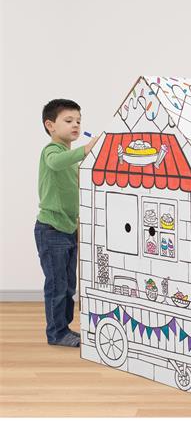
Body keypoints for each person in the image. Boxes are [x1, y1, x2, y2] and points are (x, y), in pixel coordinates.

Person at [34, 99, 98, 347]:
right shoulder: (51, 151)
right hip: (51, 230)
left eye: (79, 121)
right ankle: (57, 333)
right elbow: (55, 163)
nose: (76, 125)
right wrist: (85, 149)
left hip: (69, 228)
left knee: (69, 284)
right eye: (69, 120)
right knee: (57, 285)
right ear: (50, 125)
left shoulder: (71, 160)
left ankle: (65, 328)